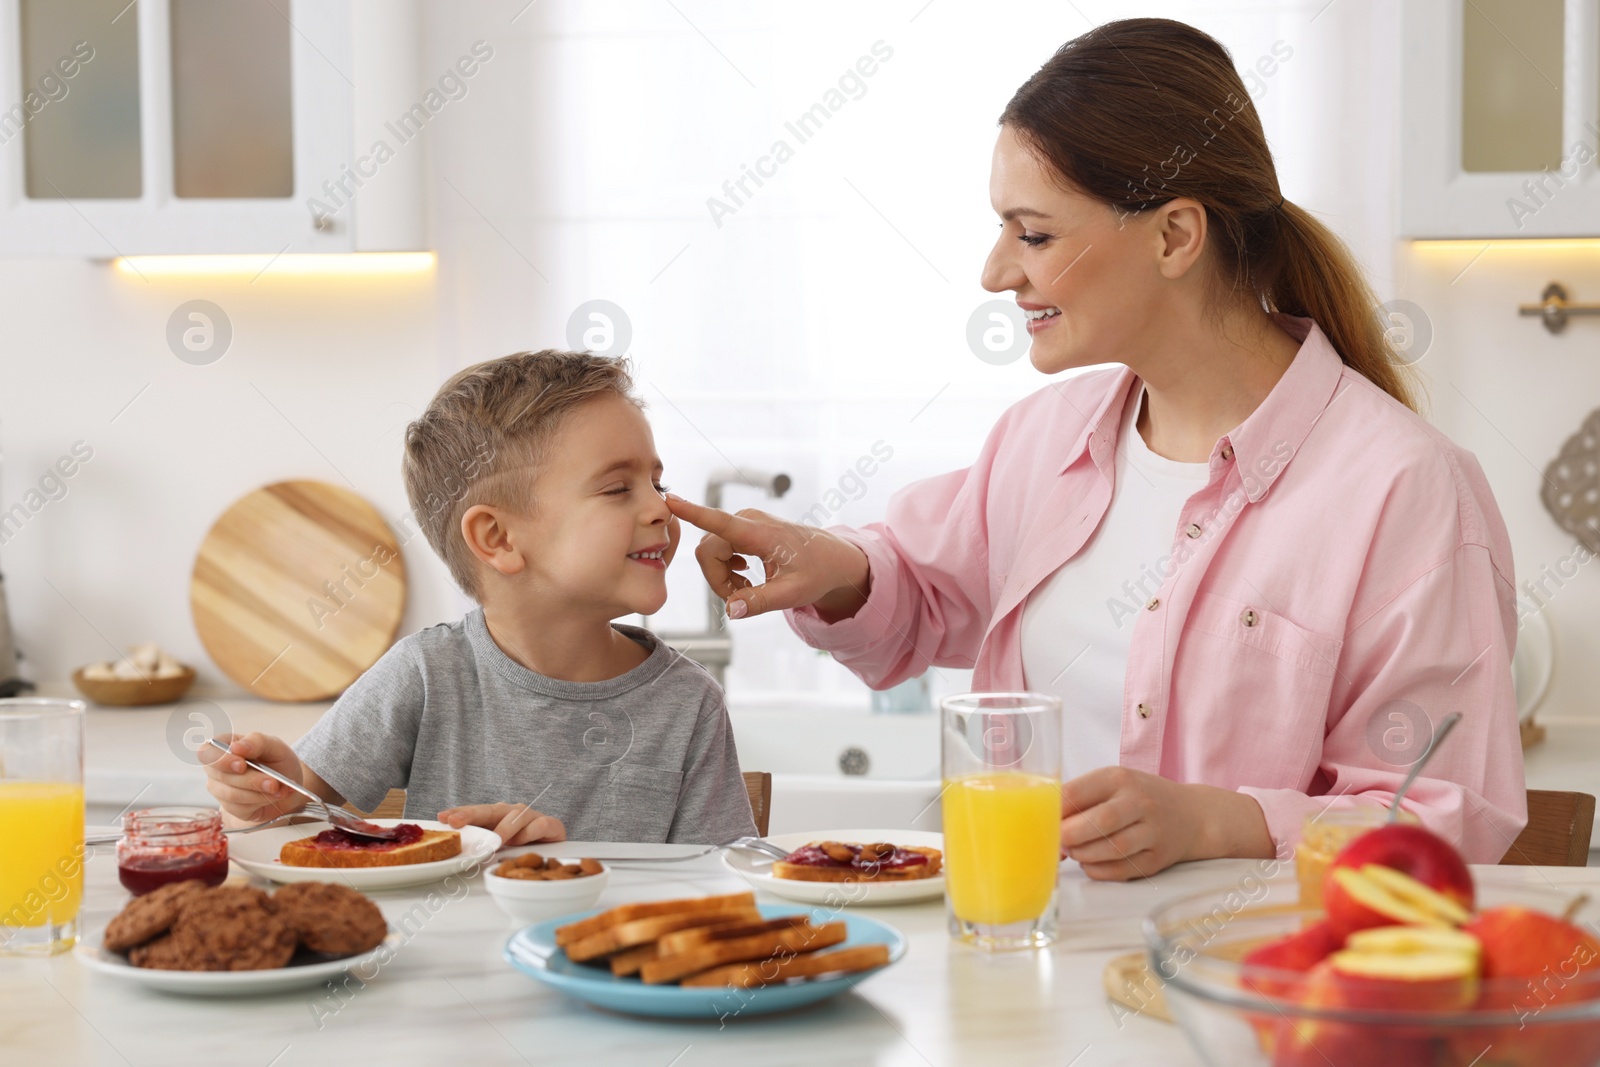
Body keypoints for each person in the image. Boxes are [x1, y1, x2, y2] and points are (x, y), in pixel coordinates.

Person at [665, 18, 1526, 879]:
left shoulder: (1406, 488)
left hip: (1243, 991)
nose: (996, 271)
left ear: (1174, 236)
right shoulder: (1045, 440)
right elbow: (926, 591)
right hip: (1020, 953)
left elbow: (1441, 822)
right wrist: (838, 567)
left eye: (1033, 234)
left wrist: (1220, 823)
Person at [202, 350, 757, 846]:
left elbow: (726, 902)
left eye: (656, 483)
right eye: (618, 489)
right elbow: (276, 842)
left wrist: (562, 872)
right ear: (498, 539)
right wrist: (271, 798)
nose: (662, 508)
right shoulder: (425, 675)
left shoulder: (689, 705)